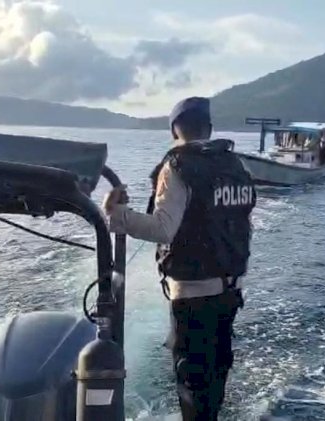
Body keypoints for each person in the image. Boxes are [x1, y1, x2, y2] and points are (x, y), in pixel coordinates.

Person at [102, 96, 257, 421]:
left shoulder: (177, 167)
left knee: (192, 380)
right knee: (216, 373)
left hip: (193, 295)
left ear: (174, 130)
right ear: (209, 129)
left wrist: (116, 213)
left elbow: (163, 229)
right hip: (231, 291)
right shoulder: (237, 166)